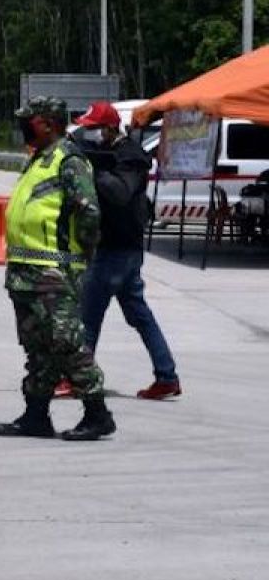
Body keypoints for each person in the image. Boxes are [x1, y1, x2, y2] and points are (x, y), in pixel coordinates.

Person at [0, 96, 116, 442]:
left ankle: (97, 413)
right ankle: (35, 415)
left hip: (54, 272)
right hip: (26, 272)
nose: (23, 126)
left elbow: (88, 212)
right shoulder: (38, 160)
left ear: (47, 122)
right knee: (38, 348)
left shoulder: (69, 159)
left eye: (28, 120)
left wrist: (83, 256)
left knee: (67, 344)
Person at [69, 101, 181, 400]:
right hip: (120, 249)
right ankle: (166, 375)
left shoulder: (131, 157)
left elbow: (120, 193)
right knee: (140, 316)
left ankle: (77, 378)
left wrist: (91, 170)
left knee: (87, 317)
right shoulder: (116, 153)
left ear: (108, 129)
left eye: (92, 129)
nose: (87, 134)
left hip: (115, 250)